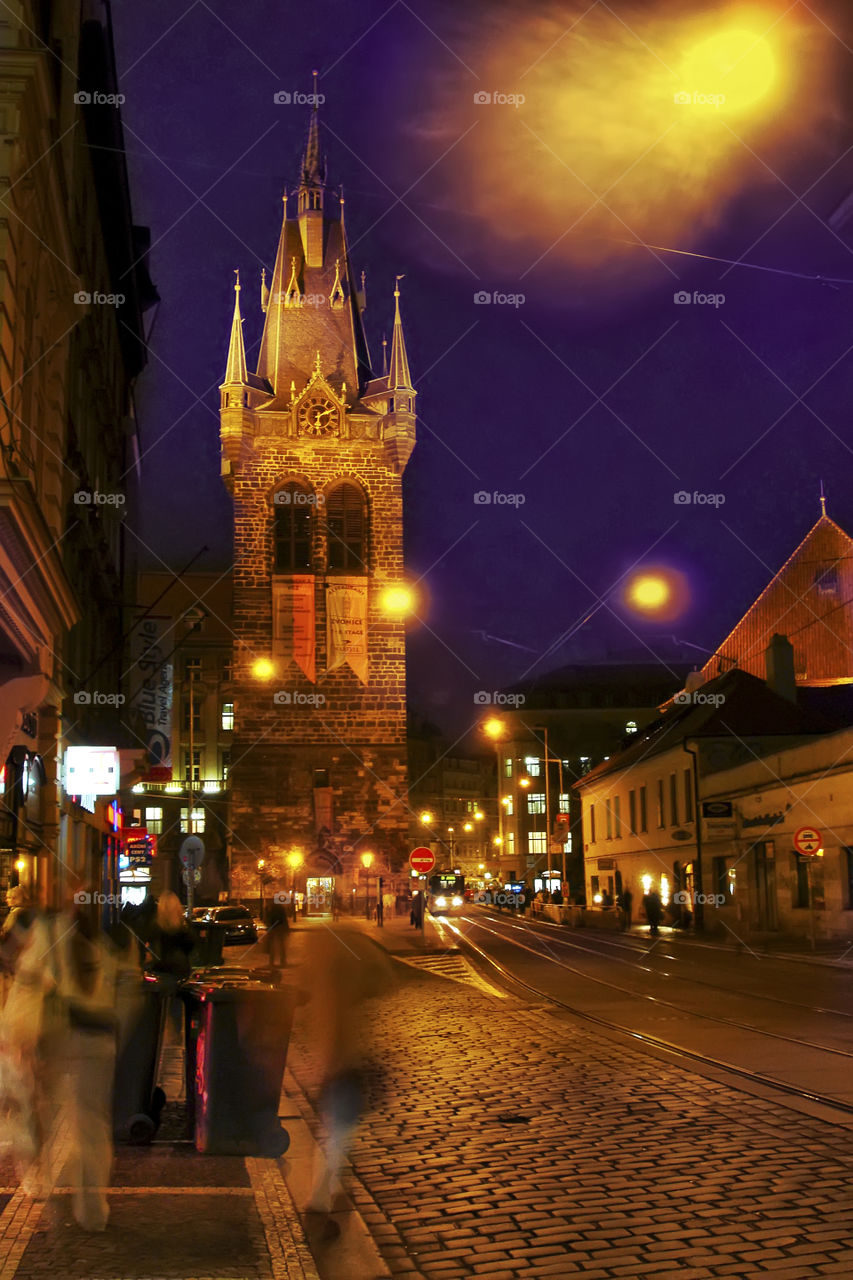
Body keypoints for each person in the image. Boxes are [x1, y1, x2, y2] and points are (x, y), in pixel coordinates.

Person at [265, 897, 290, 968]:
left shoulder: (270, 908)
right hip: (280, 927)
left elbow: (267, 918)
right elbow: (284, 918)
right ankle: (283, 960)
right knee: (281, 945)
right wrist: (286, 928)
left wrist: (268, 926)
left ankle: (271, 961)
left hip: (273, 927)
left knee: (272, 945)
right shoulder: (281, 908)